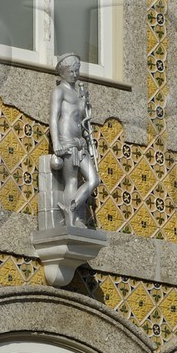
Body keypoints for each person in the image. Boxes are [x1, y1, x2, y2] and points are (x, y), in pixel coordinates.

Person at [49, 52, 100, 227]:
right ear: (63, 72)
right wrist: (56, 143)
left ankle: (71, 206)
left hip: (80, 143)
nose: (75, 74)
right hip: (67, 141)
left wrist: (84, 102)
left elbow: (84, 121)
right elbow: (54, 118)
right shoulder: (59, 91)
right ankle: (73, 219)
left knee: (94, 180)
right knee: (71, 180)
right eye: (71, 71)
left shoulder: (79, 93)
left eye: (77, 70)